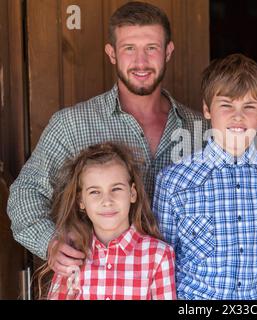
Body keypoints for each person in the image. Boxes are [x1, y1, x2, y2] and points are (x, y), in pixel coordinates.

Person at [7, 1, 208, 279]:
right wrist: (49, 243)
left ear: (168, 51)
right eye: (129, 49)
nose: (141, 62)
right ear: (111, 53)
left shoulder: (203, 129)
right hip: (99, 283)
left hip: (186, 287)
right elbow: (26, 191)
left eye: (152, 48)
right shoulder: (71, 125)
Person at [152, 53, 257, 299]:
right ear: (207, 109)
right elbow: (160, 264)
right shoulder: (174, 182)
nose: (238, 116)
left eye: (249, 106)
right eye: (226, 105)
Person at [37, 142, 176, 300]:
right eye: (95, 192)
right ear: (80, 201)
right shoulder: (71, 254)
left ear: (132, 193)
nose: (107, 201)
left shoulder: (158, 255)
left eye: (116, 189)